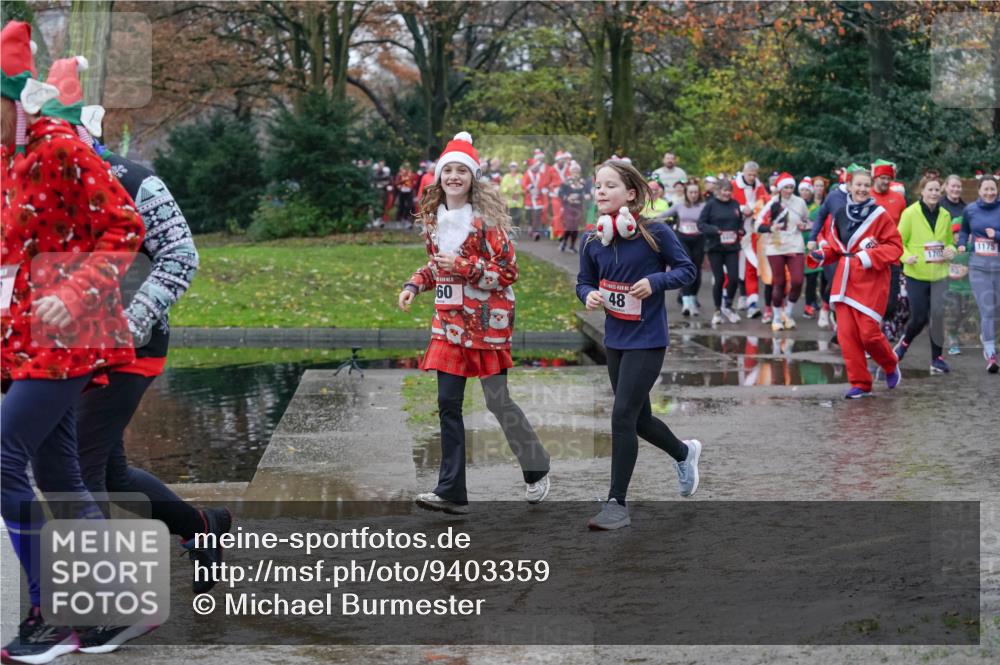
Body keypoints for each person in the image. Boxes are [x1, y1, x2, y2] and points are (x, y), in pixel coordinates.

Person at [35, 56, 233, 653]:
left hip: (131, 344)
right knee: (111, 474)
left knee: (77, 467)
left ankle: (109, 606)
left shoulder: (135, 179)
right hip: (67, 350)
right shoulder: (39, 184)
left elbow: (181, 255)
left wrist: (130, 319)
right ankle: (203, 527)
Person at [2, 21, 145, 663]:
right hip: (26, 336)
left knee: (3, 457)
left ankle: (55, 612)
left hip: (71, 332)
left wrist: (76, 290)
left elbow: (125, 225)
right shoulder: (7, 159)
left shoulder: (61, 147)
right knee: (57, 471)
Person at [399, 132, 551, 514]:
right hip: (448, 325)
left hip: (487, 326)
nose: (454, 176)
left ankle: (536, 466)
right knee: (447, 404)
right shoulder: (434, 221)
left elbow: (509, 272)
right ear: (439, 177)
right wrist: (414, 285)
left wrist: (464, 266)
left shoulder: (487, 223)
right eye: (448, 170)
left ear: (472, 177)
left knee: (497, 401)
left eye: (461, 171)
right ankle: (452, 491)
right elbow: (435, 266)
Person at [576, 160, 698, 530]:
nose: (601, 191)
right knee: (639, 419)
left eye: (610, 185)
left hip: (648, 340)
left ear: (631, 193)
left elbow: (687, 270)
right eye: (598, 185)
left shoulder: (655, 232)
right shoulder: (592, 240)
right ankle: (684, 453)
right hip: (615, 340)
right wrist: (589, 295)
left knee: (621, 416)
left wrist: (656, 281)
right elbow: (583, 281)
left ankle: (616, 504)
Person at [807, 169, 903, 398]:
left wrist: (869, 256)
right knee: (847, 336)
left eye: (866, 185)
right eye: (858, 184)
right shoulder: (841, 213)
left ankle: (890, 364)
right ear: (849, 186)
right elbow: (835, 247)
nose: (862, 189)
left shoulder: (880, 215)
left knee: (869, 334)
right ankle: (860, 383)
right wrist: (822, 254)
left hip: (871, 281)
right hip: (845, 280)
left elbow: (895, 247)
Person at [892, 175, 956, 374]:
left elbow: (949, 242)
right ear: (922, 191)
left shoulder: (945, 214)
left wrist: (951, 250)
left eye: (937, 190)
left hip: (939, 274)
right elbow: (898, 242)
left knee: (937, 315)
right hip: (916, 274)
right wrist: (906, 257)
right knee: (919, 317)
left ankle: (937, 358)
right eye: (930, 189)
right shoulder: (910, 213)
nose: (934, 193)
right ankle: (904, 344)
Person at [756, 173, 810, 332]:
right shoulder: (772, 203)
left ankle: (788, 313)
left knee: (798, 281)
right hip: (776, 246)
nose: (789, 190)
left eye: (792, 187)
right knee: (778, 282)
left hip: (795, 244)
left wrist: (804, 225)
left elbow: (806, 220)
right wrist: (771, 227)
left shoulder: (800, 202)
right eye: (786, 187)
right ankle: (777, 317)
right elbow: (758, 225)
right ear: (779, 188)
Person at [957, 175, 1000, 373]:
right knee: (987, 309)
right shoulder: (970, 210)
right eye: (986, 189)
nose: (989, 193)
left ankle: (986, 336)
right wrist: (961, 244)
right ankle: (990, 353)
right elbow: (964, 231)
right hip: (978, 267)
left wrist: (996, 235)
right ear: (979, 190)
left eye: (993, 189)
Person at [870, 159, 909, 340]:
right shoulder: (867, 196)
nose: (885, 181)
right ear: (875, 178)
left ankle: (885, 323)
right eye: (882, 178)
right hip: (871, 253)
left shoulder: (899, 199)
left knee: (892, 297)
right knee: (871, 294)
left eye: (888, 178)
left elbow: (905, 225)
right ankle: (872, 329)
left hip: (892, 254)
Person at [698, 180, 744, 325]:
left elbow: (739, 221)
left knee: (734, 278)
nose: (727, 193)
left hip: (732, 247)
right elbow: (701, 224)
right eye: (724, 190)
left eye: (729, 190)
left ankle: (728, 305)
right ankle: (717, 310)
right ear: (718, 191)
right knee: (719, 279)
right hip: (715, 247)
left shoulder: (735, 204)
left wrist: (741, 230)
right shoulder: (711, 205)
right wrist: (714, 230)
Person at [732, 162, 769, 318]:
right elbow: (727, 205)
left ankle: (752, 303)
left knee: (751, 266)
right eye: (749, 174)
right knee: (735, 268)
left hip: (753, 234)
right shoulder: (734, 185)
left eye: (754, 175)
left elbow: (766, 203)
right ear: (743, 172)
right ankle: (731, 300)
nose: (752, 177)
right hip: (735, 233)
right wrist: (742, 209)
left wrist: (754, 208)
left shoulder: (759, 187)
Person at [664, 181, 707, 316]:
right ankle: (686, 302)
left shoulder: (704, 206)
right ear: (686, 193)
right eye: (691, 192)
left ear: (699, 193)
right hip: (683, 239)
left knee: (696, 269)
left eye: (695, 192)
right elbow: (664, 214)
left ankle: (693, 298)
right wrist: (645, 219)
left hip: (699, 239)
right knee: (687, 267)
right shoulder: (679, 205)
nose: (693, 195)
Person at [941, 174, 969, 355]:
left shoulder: (966, 209)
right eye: (953, 186)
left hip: (962, 256)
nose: (956, 189)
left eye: (959, 186)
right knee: (951, 304)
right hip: (943, 255)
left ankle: (954, 332)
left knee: (964, 306)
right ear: (945, 186)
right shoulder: (939, 206)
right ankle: (950, 335)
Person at [799, 177, 823, 318]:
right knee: (795, 279)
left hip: (811, 246)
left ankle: (809, 304)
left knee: (812, 276)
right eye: (802, 190)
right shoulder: (794, 205)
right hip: (795, 245)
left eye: (807, 190)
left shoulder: (817, 208)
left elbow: (820, 225)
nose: (805, 192)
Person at [558, 162, 590, 253]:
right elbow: (560, 193)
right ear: (570, 172)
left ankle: (572, 246)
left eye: (577, 171)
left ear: (579, 172)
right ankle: (564, 243)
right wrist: (567, 198)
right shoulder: (566, 181)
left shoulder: (582, 182)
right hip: (568, 206)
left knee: (575, 227)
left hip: (578, 207)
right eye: (573, 171)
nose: (575, 173)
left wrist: (587, 195)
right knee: (569, 225)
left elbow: (587, 193)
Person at [522, 158, 546, 241]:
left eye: (537, 166)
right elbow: (524, 184)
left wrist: (543, 189)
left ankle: (535, 231)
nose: (536, 168)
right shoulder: (527, 174)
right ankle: (530, 226)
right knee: (529, 214)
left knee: (537, 213)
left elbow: (544, 183)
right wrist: (530, 188)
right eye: (535, 166)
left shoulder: (541, 174)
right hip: (529, 197)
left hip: (538, 198)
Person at [500, 161, 524, 228]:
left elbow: (524, 186)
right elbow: (502, 188)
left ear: (517, 167)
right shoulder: (506, 177)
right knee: (509, 218)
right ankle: (509, 230)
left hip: (518, 202)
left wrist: (520, 192)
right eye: (512, 166)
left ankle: (516, 230)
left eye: (514, 166)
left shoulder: (520, 176)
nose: (513, 168)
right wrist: (508, 188)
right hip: (509, 202)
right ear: (509, 168)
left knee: (517, 218)